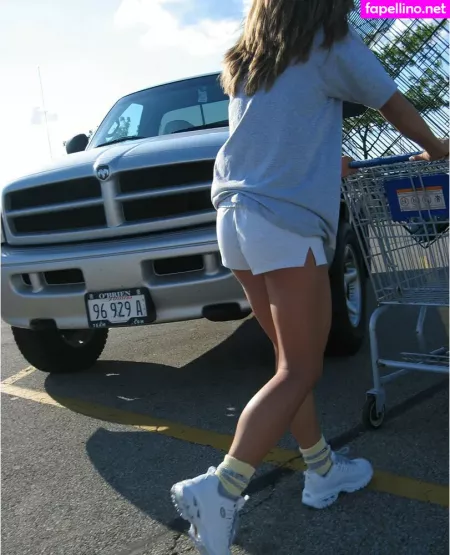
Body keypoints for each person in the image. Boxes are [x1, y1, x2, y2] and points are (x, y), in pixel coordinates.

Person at [171, 1, 449, 553]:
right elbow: (392, 103)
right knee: (301, 369)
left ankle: (321, 470)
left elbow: (279, 132)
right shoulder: (330, 42)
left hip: (235, 217)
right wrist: (438, 147)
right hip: (283, 220)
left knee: (287, 365)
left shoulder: (252, 59)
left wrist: (326, 161)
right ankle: (221, 488)